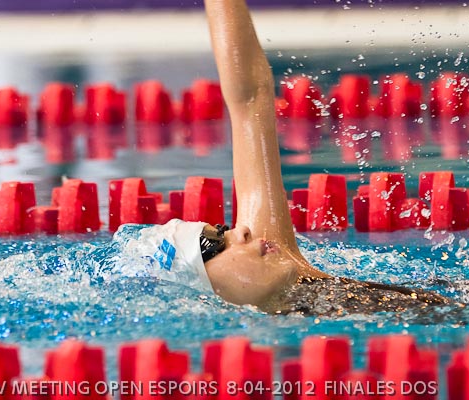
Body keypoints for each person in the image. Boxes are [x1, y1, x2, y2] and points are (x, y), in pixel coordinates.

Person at [116, 0, 450, 315]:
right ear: (202, 290)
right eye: (217, 245)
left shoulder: (280, 260)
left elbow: (250, 99)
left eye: (221, 230)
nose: (241, 231)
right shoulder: (260, 335)